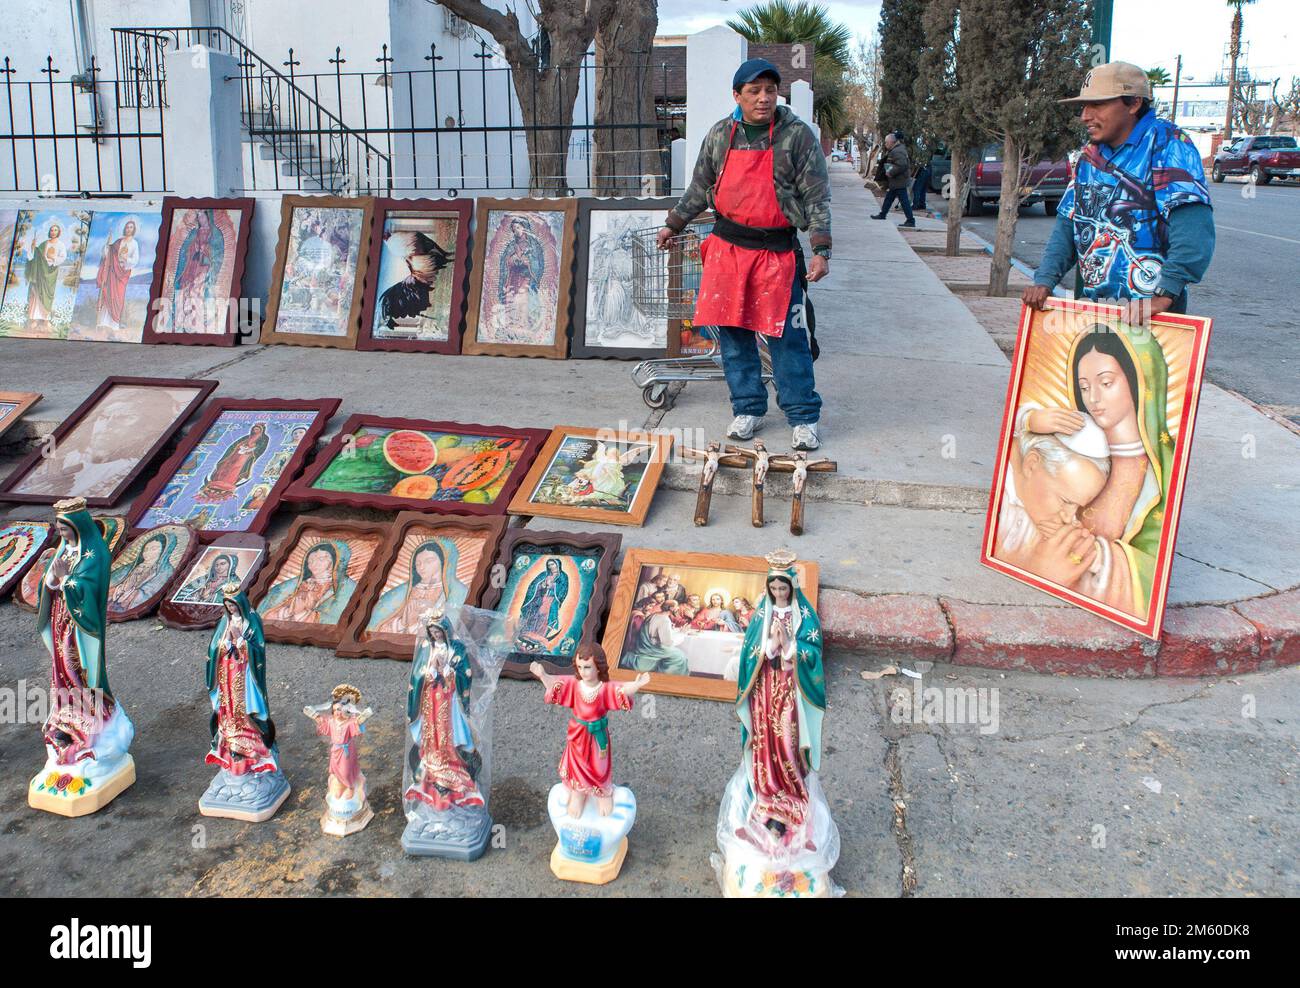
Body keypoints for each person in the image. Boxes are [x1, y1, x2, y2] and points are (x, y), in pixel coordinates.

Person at [658, 57, 830, 452]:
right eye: (754, 91)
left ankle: (803, 416)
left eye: (770, 90)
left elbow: (817, 196)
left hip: (777, 253)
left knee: (788, 338)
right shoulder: (721, 135)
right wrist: (673, 224)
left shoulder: (796, 135)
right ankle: (748, 407)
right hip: (728, 251)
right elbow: (699, 188)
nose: (764, 98)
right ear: (737, 96)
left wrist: (821, 248)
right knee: (734, 336)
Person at [1022, 61, 1215, 324]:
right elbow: (1069, 223)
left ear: (1134, 104)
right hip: (1097, 310)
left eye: (1098, 104)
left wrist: (1165, 294)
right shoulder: (1090, 156)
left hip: (1151, 318)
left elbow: (1193, 228)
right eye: (1084, 107)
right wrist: (1044, 280)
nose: (1085, 116)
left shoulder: (1168, 144)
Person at [871, 132, 915, 227]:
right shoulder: (896, 149)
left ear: (892, 142)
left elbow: (902, 165)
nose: (885, 145)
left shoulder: (897, 151)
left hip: (899, 180)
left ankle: (911, 221)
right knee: (889, 198)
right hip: (896, 181)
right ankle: (882, 214)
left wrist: (890, 172)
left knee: (904, 201)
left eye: (886, 143)